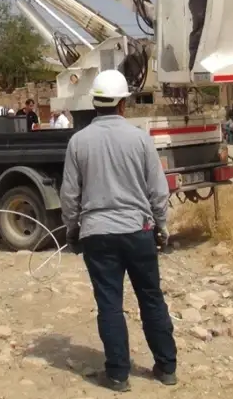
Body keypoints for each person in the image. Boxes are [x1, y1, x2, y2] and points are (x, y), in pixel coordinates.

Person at [60, 69, 177, 392]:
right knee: (151, 299)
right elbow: (157, 189)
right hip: (138, 231)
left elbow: (70, 195)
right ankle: (166, 368)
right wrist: (161, 225)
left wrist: (72, 230)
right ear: (123, 104)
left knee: (110, 304)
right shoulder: (139, 138)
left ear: (95, 103)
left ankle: (117, 375)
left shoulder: (78, 142)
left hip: (97, 234)